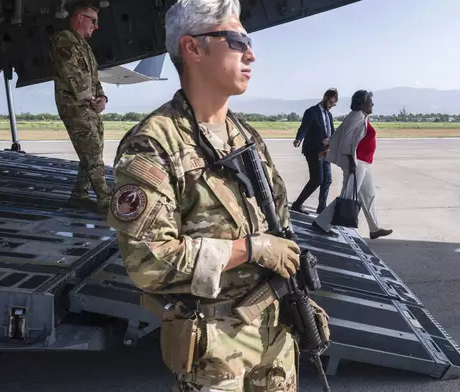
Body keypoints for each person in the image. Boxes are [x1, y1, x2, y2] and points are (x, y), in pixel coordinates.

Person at [105, 1, 328, 391]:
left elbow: (280, 228)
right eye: (238, 40)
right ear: (193, 48)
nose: (251, 53)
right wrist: (251, 249)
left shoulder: (245, 136)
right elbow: (147, 262)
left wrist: (298, 296)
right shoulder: (152, 144)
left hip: (276, 332)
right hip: (215, 347)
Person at [50, 1, 111, 213]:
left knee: (93, 148)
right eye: (93, 21)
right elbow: (70, 71)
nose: (96, 26)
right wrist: (90, 98)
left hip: (88, 105)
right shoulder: (63, 40)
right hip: (74, 105)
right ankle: (106, 200)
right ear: (78, 18)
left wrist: (102, 97)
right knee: (92, 151)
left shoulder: (84, 47)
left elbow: (94, 78)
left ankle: (79, 194)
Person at [312, 90, 393, 240]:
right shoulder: (356, 116)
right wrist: (351, 161)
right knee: (348, 196)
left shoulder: (362, 116)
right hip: (356, 162)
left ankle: (374, 229)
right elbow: (347, 140)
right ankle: (321, 223)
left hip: (365, 162)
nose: (372, 104)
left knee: (369, 195)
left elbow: (340, 135)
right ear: (362, 103)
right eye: (370, 101)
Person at [291, 88, 338, 214]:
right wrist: (298, 139)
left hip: (325, 151)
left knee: (327, 179)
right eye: (332, 103)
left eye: (334, 104)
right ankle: (297, 204)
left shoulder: (328, 114)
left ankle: (322, 208)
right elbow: (304, 127)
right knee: (317, 179)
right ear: (325, 98)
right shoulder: (311, 112)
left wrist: (333, 140)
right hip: (313, 150)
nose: (333, 106)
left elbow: (332, 131)